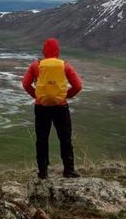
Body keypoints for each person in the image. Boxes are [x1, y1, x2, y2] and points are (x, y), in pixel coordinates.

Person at [21, 37, 83, 179]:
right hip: (61, 107)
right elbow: (78, 85)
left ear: (44, 51)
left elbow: (25, 84)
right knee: (65, 138)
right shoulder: (64, 65)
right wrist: (64, 97)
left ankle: (43, 172)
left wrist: (37, 96)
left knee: (42, 139)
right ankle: (69, 170)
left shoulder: (36, 65)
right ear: (58, 51)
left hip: (41, 108)